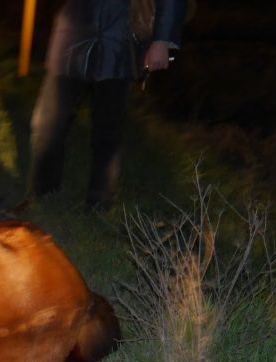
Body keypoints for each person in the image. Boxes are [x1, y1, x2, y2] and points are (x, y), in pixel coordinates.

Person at [27, 0, 186, 211]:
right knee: (49, 122)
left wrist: (161, 40)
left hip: (119, 39)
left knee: (107, 132)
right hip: (72, 31)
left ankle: (99, 204)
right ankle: (42, 194)